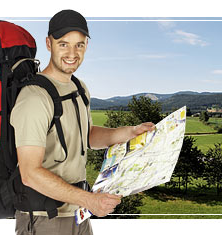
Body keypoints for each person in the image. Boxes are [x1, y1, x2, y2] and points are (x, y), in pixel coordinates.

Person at [10, 9, 155, 235]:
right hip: (45, 219)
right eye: (63, 44)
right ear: (49, 44)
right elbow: (30, 173)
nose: (72, 52)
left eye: (79, 44)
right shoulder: (34, 97)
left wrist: (129, 132)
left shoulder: (79, 88)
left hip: (78, 215)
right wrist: (90, 200)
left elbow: (85, 136)